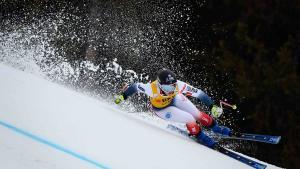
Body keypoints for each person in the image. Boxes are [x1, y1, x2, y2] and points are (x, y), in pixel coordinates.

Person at [114, 68, 234, 148]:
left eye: (172, 86)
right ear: (160, 85)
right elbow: (135, 86)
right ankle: (199, 135)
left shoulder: (179, 86)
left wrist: (212, 105)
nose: (170, 90)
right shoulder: (151, 88)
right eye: (167, 88)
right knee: (190, 118)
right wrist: (123, 96)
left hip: (175, 99)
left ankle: (216, 127)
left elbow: (199, 93)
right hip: (161, 110)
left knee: (196, 113)